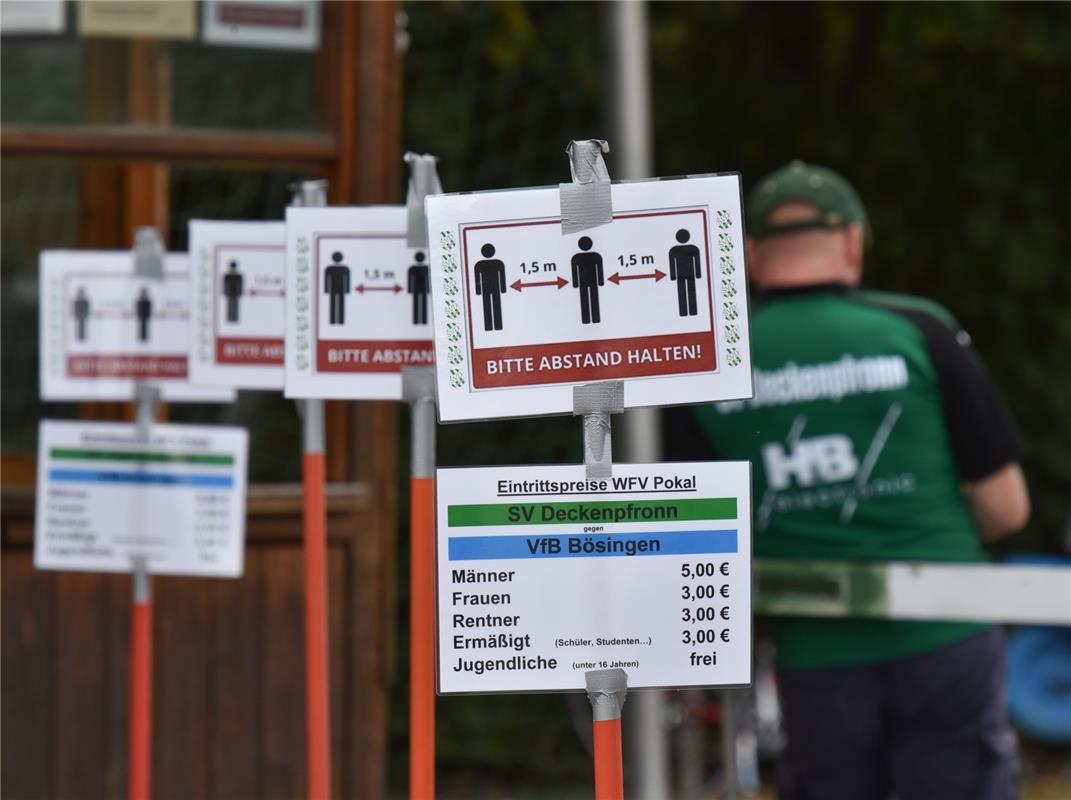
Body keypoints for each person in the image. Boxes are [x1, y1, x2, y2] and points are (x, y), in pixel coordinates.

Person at [666, 161, 1030, 799]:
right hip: (947, 634)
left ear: (750, 254)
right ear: (855, 242)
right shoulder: (920, 331)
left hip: (815, 652)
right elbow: (1007, 507)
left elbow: (693, 531)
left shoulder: (708, 359)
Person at [668, 228, 702, 316]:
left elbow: (697, 261)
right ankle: (686, 311)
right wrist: (698, 274)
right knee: (684, 293)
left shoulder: (675, 250)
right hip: (684, 274)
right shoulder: (675, 250)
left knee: (689, 292)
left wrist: (698, 274)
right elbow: (672, 263)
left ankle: (691, 311)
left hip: (686, 274)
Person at [571, 235, 604, 324]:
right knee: (589, 300)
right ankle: (592, 319)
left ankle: (590, 319)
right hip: (590, 282)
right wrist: (601, 282)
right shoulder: (595, 256)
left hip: (585, 282)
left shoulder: (576, 257)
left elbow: (574, 272)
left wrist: (575, 283)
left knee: (587, 300)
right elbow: (574, 271)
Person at [473, 243, 506, 331]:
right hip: (490, 288)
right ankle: (492, 326)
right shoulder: (497, 263)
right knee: (490, 306)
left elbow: (502, 276)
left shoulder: (480, 264)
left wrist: (478, 291)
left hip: (489, 288)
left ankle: (493, 326)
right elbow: (477, 279)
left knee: (493, 306)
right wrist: (503, 289)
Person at [324, 251, 350, 325]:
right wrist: (347, 290)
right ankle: (339, 320)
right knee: (339, 304)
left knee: (334, 304)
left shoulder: (329, 268)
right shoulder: (345, 269)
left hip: (334, 289)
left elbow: (327, 280)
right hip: (340, 289)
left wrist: (326, 290)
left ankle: (334, 320)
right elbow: (347, 281)